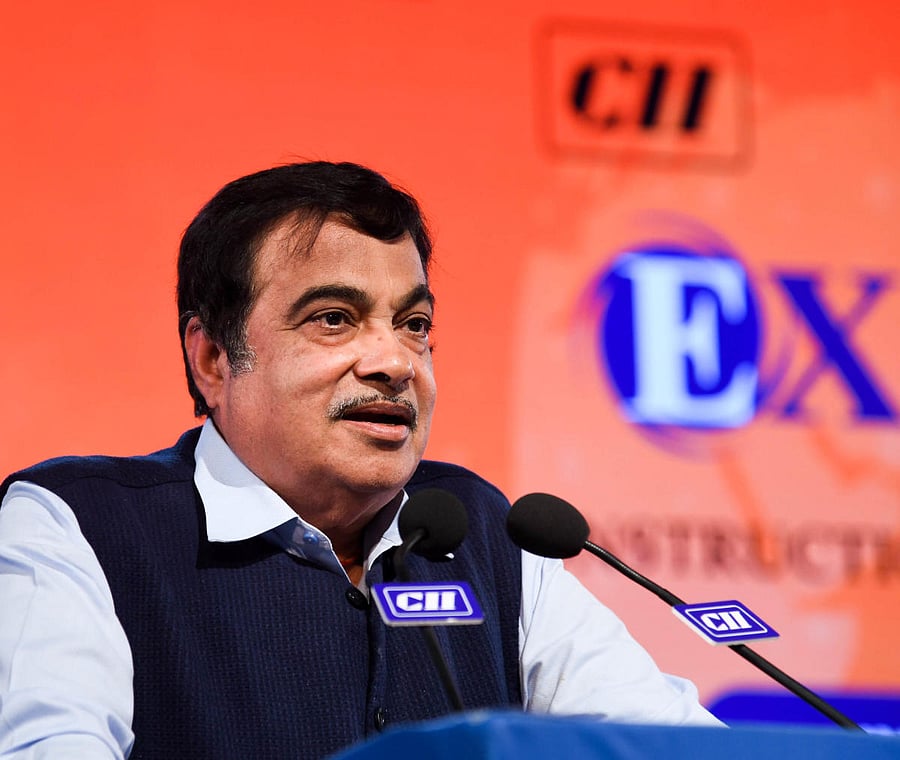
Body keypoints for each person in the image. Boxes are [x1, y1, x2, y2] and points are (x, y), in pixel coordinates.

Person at [0, 161, 721, 760]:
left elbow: (663, 744)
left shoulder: (478, 531)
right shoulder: (79, 527)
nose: (394, 363)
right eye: (333, 319)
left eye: (415, 325)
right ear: (213, 360)